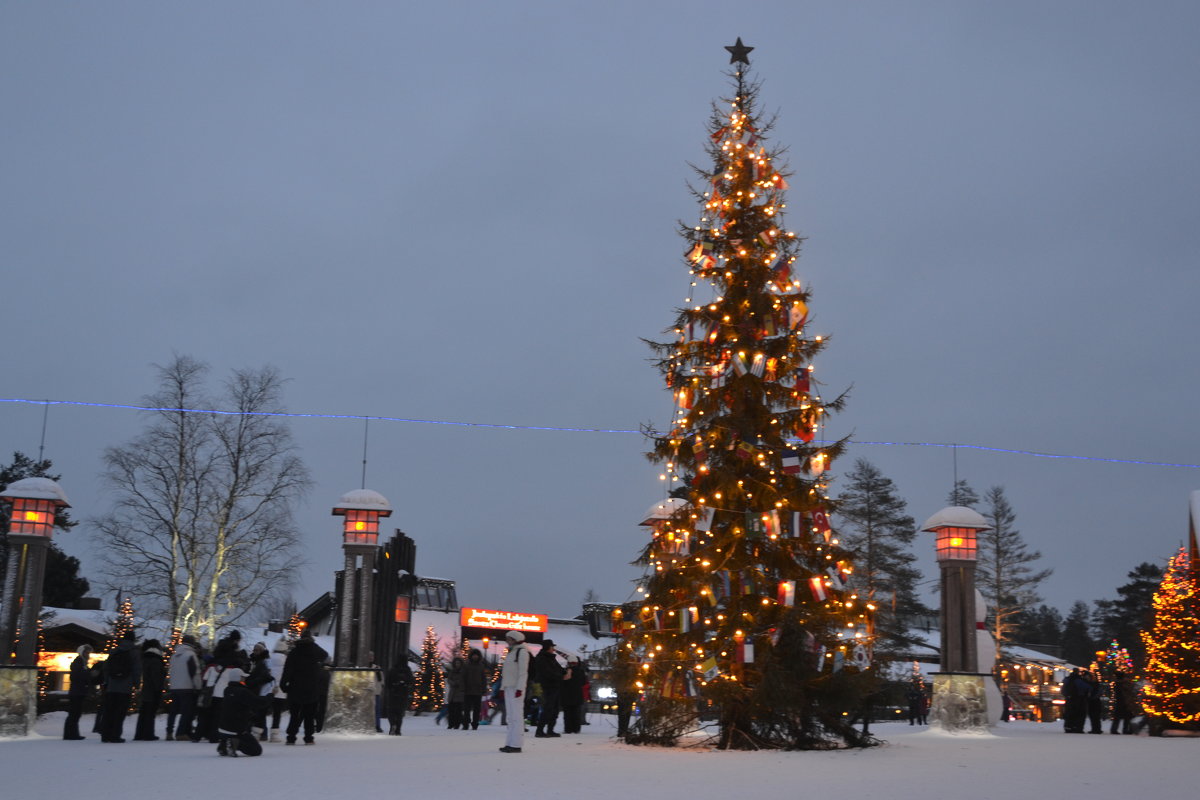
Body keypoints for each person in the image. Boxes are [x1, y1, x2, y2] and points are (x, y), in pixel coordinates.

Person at [281, 629, 328, 745]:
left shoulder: (294, 652)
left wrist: (283, 684)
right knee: (309, 715)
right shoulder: (315, 649)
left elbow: (287, 670)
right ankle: (308, 738)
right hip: (311, 688)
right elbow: (325, 655)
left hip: (295, 687)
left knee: (294, 715)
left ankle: (291, 738)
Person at [215, 667, 272, 757]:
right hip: (236, 729)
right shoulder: (242, 691)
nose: (244, 679)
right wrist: (270, 696)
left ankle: (224, 744)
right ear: (238, 678)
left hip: (223, 728)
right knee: (256, 750)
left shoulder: (227, 690)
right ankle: (233, 743)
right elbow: (258, 703)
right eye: (243, 677)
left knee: (239, 731)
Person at [100, 631, 141, 743]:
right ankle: (115, 735)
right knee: (120, 712)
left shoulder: (114, 651)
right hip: (125, 687)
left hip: (112, 687)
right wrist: (136, 684)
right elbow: (136, 670)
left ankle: (105, 735)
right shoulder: (134, 652)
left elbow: (106, 668)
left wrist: (107, 681)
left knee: (109, 711)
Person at [498, 630, 531, 753]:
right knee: (510, 717)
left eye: (509, 638)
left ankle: (516, 744)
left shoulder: (522, 652)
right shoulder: (511, 652)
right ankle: (509, 743)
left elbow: (523, 672)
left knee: (517, 716)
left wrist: (520, 688)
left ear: (515, 639)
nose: (507, 640)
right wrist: (502, 688)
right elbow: (506, 673)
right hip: (509, 687)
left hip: (516, 688)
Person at [166, 634, 202, 741]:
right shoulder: (190, 654)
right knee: (186, 711)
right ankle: (180, 733)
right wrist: (198, 687)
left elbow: (170, 671)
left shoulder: (174, 655)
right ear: (192, 643)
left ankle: (169, 732)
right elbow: (195, 673)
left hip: (174, 687)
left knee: (173, 711)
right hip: (187, 687)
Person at [133, 639, 166, 740]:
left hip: (146, 689)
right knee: (150, 712)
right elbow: (156, 676)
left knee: (144, 712)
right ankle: (148, 734)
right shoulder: (156, 660)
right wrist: (158, 689)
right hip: (153, 690)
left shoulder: (145, 658)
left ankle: (139, 733)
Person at [533, 638, 566, 738]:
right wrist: (562, 676)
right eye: (552, 647)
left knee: (554, 709)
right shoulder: (542, 658)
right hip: (547, 686)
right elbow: (548, 673)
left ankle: (550, 729)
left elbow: (559, 669)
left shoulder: (551, 658)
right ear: (548, 647)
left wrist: (564, 672)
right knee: (548, 708)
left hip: (555, 686)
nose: (553, 649)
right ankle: (540, 730)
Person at [63, 644, 94, 740]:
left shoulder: (82, 663)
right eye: (86, 652)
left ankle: (72, 733)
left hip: (78, 691)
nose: (88, 655)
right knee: (74, 713)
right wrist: (88, 674)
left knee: (75, 713)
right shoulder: (79, 662)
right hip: (77, 691)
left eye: (88, 653)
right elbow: (76, 676)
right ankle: (71, 734)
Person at [247, 642, 276, 741]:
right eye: (254, 650)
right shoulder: (253, 661)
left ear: (262, 651)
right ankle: (260, 732)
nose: (255, 652)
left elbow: (264, 676)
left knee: (259, 712)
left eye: (257, 650)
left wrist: (251, 681)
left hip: (261, 689)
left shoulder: (265, 662)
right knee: (257, 712)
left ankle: (262, 733)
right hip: (254, 688)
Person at [384, 661, 413, 735]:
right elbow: (411, 681)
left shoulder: (393, 670)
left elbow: (387, 682)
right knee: (400, 713)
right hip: (403, 695)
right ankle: (398, 730)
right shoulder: (407, 670)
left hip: (393, 694)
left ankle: (393, 724)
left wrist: (391, 688)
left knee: (391, 712)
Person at [462, 648, 488, 731]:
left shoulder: (481, 666)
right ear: (471, 656)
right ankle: (466, 724)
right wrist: (463, 687)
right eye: (474, 655)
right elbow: (463, 677)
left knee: (477, 709)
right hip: (468, 690)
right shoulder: (466, 665)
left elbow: (483, 678)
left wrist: (484, 689)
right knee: (467, 709)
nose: (475, 657)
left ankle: (475, 724)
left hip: (478, 691)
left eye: (476, 655)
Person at [560, 655, 586, 734]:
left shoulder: (567, 671)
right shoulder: (581, 671)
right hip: (577, 695)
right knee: (576, 713)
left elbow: (563, 681)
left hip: (567, 695)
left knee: (567, 714)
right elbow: (583, 682)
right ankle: (576, 728)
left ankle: (568, 729)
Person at [1061, 668, 1088, 733]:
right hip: (1078, 699)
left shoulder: (1067, 679)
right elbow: (1086, 688)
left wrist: (1066, 695)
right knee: (1078, 713)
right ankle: (1077, 727)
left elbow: (1063, 690)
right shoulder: (1079, 680)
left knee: (1069, 713)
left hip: (1068, 698)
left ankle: (1068, 727)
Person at [444, 656, 466, 730]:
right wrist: (453, 683)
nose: (457, 664)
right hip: (452, 693)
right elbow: (449, 680)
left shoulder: (463, 672)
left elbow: (464, 681)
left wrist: (458, 683)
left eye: (459, 663)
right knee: (451, 711)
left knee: (458, 711)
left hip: (459, 693)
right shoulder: (452, 671)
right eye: (456, 663)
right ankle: (451, 724)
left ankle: (457, 724)